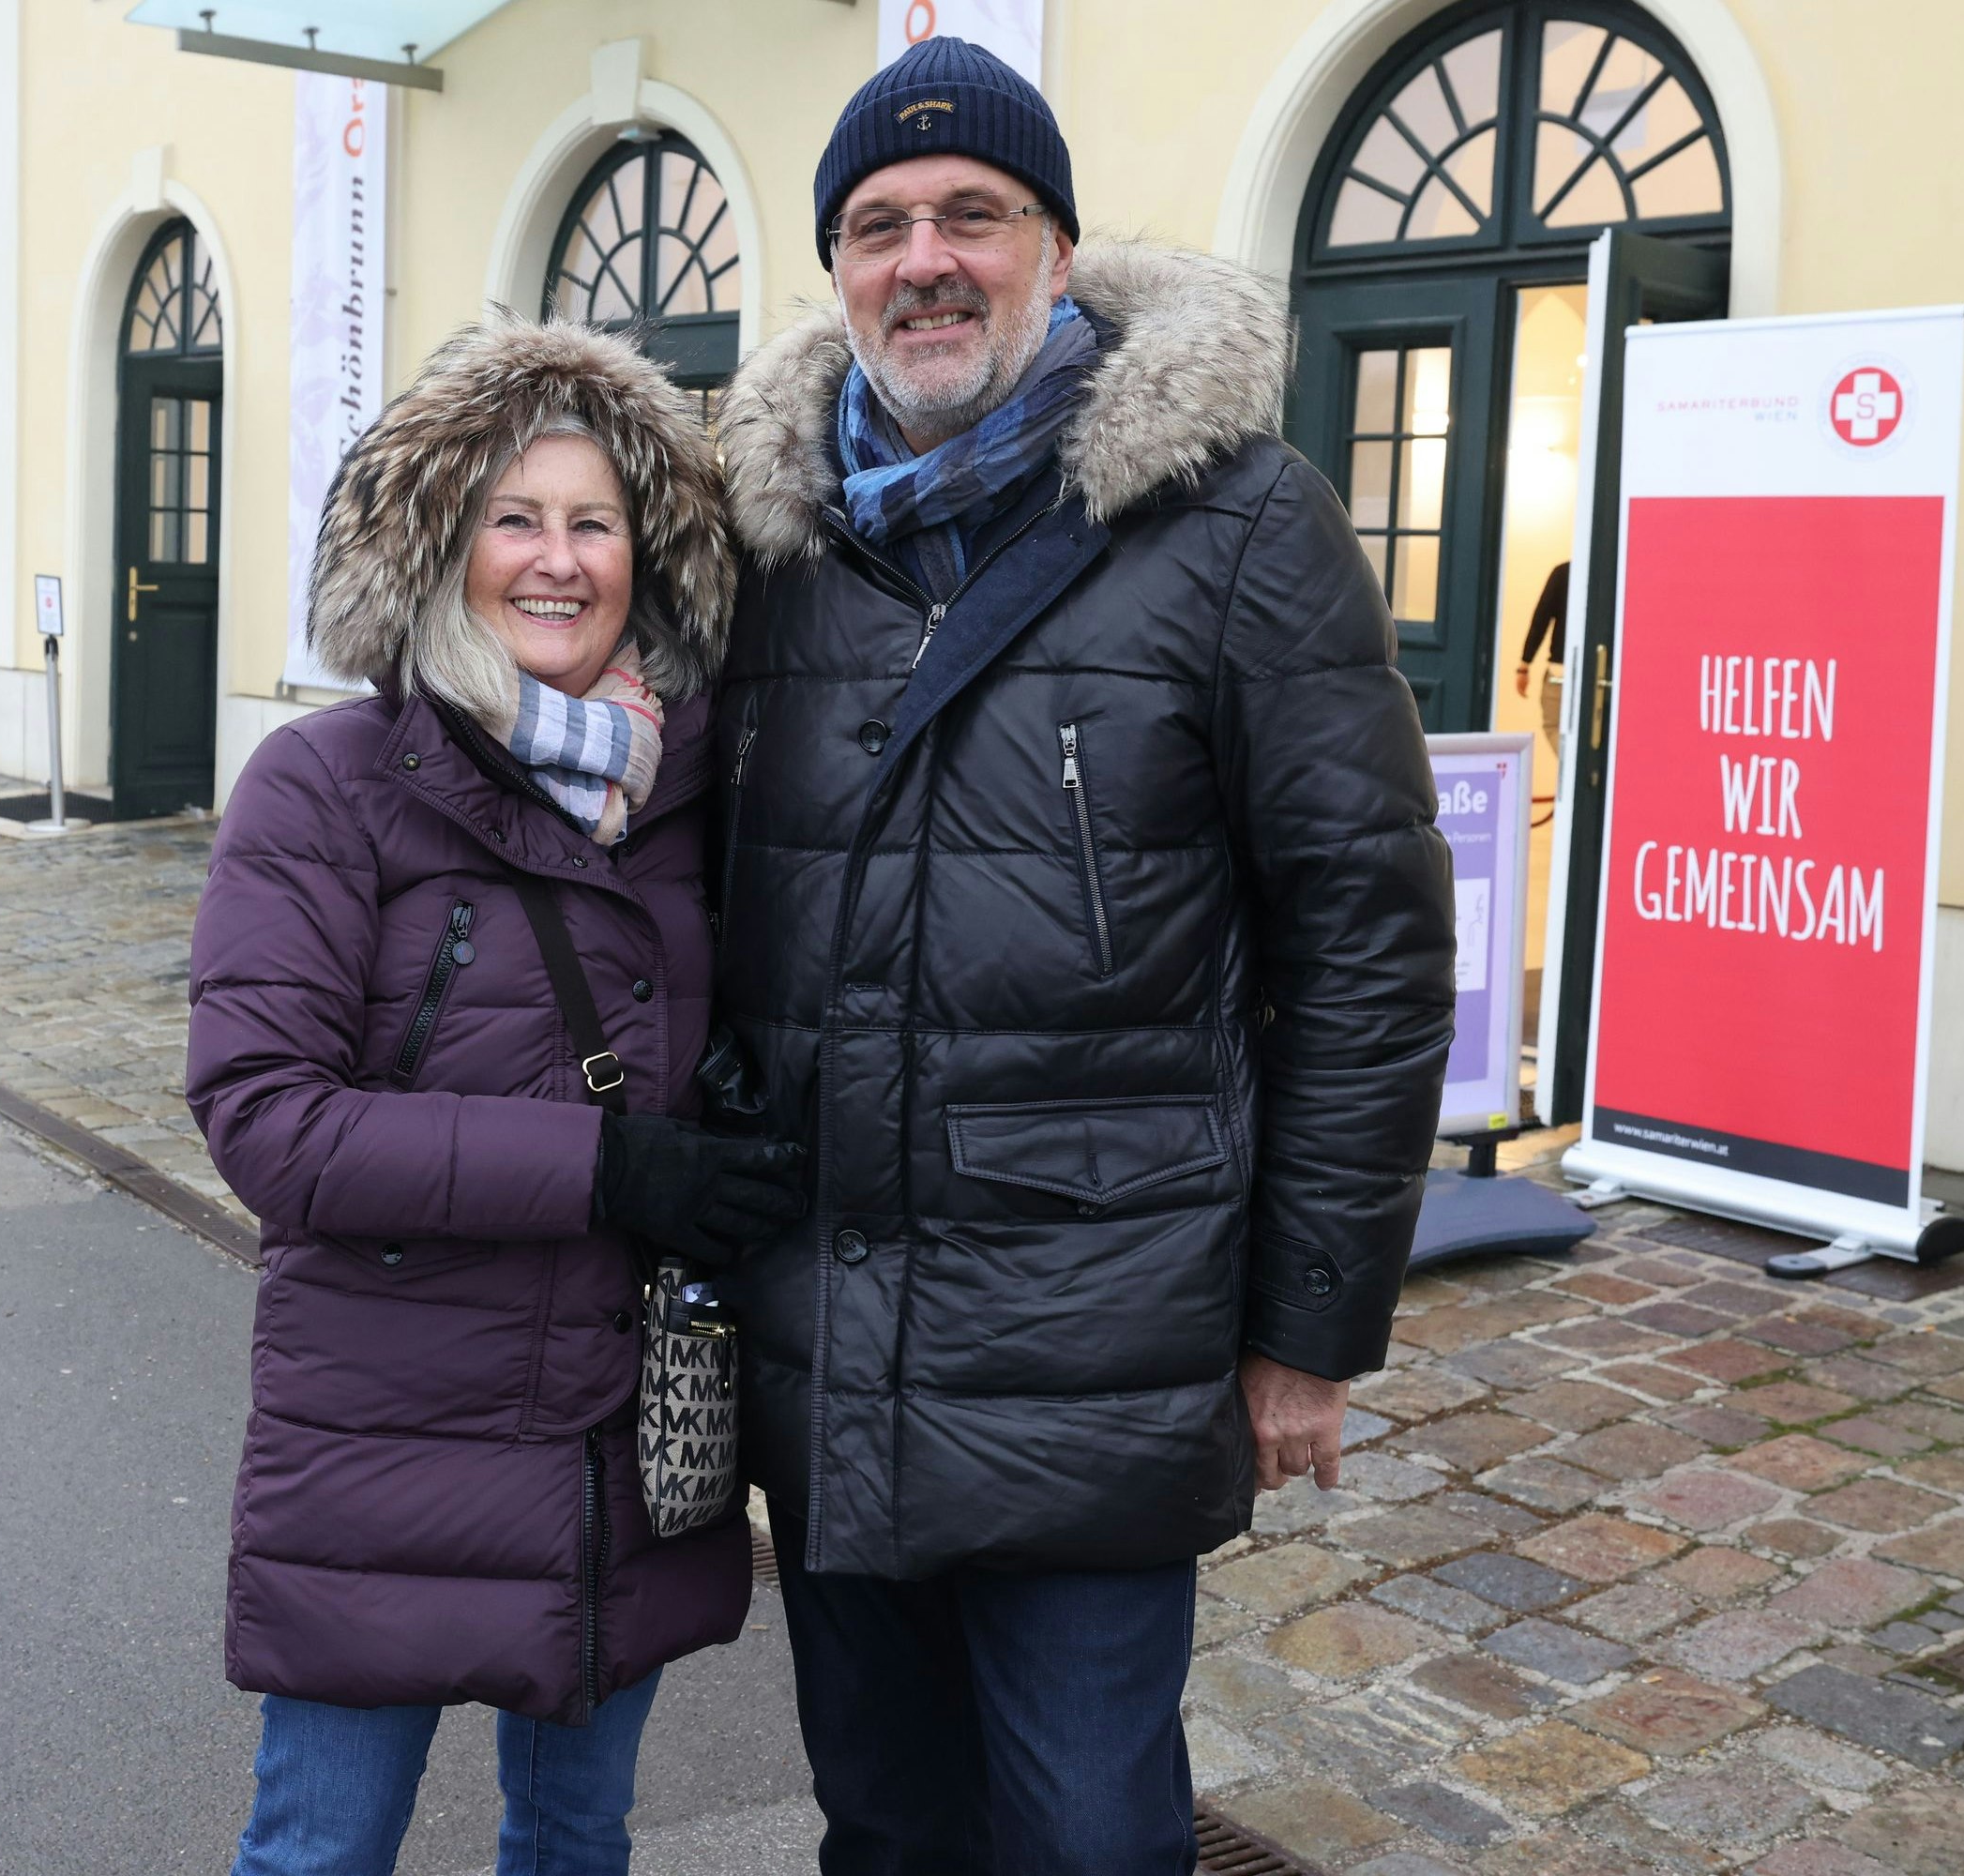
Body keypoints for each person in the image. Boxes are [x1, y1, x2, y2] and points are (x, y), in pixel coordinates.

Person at [704, 37, 1458, 1874]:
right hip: (829, 1332)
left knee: (1089, 1840)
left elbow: (1367, 939)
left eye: (972, 211)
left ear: (1052, 246)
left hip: (1091, 1336)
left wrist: (1305, 1328)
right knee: (883, 1827)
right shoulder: (768, 549)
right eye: (877, 224)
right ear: (835, 272)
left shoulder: (1234, 521)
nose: (923, 257)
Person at [185, 318, 803, 1876]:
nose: (556, 560)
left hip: (614, 1434)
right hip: (390, 1437)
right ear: (442, 547)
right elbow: (268, 1119)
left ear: (644, 557)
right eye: (513, 520)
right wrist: (605, 1169)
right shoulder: (327, 787)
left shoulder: (692, 798)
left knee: (578, 1840)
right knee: (321, 1851)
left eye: (593, 522)